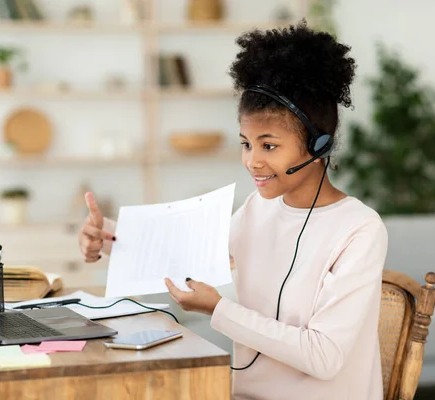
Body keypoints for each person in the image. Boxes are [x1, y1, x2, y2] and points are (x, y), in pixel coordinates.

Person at [78, 21, 388, 400]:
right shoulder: (258, 208)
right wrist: (108, 235)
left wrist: (219, 309)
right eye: (246, 144)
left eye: (269, 146)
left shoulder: (359, 229)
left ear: (319, 145)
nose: (252, 162)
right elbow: (185, 256)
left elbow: (324, 356)